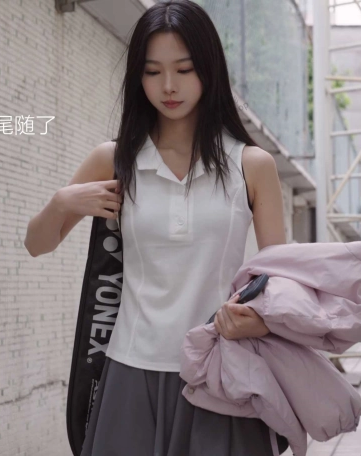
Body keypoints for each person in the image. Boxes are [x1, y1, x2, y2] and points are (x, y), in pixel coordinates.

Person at [23, 1, 288, 455]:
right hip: (130, 372)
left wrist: (257, 320)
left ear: (209, 70)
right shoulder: (114, 159)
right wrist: (63, 202)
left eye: (184, 69)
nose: (168, 86)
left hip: (220, 372)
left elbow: (278, 279)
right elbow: (36, 244)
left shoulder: (252, 165)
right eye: (152, 72)